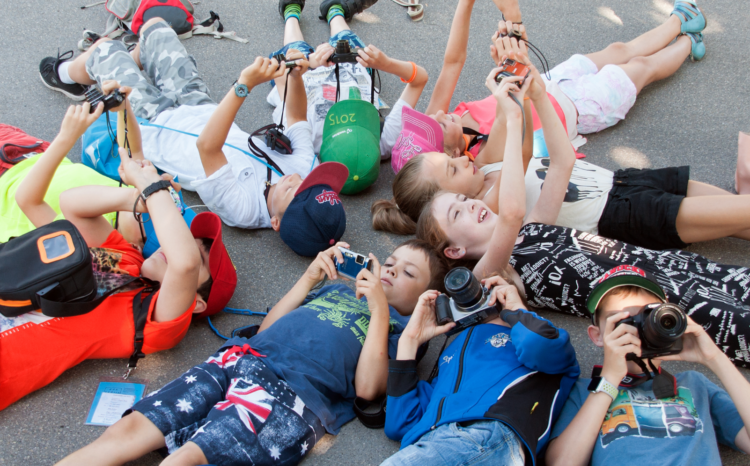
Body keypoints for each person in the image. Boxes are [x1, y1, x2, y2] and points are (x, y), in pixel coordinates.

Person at [415, 57, 750, 369]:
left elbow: (563, 162)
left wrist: (539, 97)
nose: (471, 204)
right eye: (457, 214)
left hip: (667, 266)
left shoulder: (533, 228)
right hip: (657, 305)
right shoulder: (489, 273)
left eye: (462, 198)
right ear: (454, 250)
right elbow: (512, 212)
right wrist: (514, 116)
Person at [56, 238, 449, 466]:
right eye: (391, 261)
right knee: (131, 428)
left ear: (423, 300)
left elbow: (368, 389)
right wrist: (309, 277)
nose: (391, 271)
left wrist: (380, 308)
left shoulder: (400, 330)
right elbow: (267, 330)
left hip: (292, 397)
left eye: (408, 273)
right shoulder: (336, 289)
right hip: (240, 357)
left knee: (193, 456)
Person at [39, 18, 343, 256]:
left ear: (275, 223)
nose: (297, 179)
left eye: (294, 193)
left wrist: (243, 87)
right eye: (310, 185)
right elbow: (297, 117)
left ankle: (67, 75)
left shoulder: (244, 209)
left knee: (105, 49)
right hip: (200, 105)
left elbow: (206, 146)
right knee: (156, 28)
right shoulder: (304, 172)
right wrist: (295, 76)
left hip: (155, 124)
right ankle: (131, 60)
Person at [0, 155, 238, 411]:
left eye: (200, 257)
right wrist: (139, 198)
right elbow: (71, 204)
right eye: (187, 239)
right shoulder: (128, 257)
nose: (177, 245)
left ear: (196, 303)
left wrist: (154, 189)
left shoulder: (157, 319)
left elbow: (185, 264)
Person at [388, 0, 705, 169]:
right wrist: (511, 45)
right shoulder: (481, 157)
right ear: (454, 155)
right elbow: (514, 102)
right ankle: (687, 38)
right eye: (439, 126)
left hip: (549, 82)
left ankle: (679, 20)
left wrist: (466, 2)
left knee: (619, 51)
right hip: (577, 109)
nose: (439, 115)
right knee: (641, 67)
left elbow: (452, 61)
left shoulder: (445, 121)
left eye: (431, 117)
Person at [545, 270, 750, 465]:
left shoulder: (695, 384)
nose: (637, 330)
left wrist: (714, 357)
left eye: (648, 318)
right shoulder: (584, 391)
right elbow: (562, 462)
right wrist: (608, 380)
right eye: (624, 320)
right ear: (597, 335)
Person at [382, 275, 579, 465]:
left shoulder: (539, 345)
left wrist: (515, 309)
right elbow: (400, 423)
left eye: (490, 295)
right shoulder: (449, 358)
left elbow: (537, 343)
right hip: (439, 442)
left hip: (486, 433)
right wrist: (409, 340)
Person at [4, 93, 192, 254]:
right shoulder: (129, 204)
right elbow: (133, 151)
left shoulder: (88, 239)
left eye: (148, 210)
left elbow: (29, 200)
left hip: (5, 186)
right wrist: (123, 107)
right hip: (34, 153)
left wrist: (66, 137)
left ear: (134, 245)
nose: (148, 201)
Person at [270, 0, 428, 159]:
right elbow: (419, 79)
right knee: (346, 40)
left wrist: (311, 62)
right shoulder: (383, 144)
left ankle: (291, 12)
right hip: (351, 68)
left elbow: (280, 72)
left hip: (304, 76)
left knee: (295, 48)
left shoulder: (304, 143)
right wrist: (386, 64)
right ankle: (335, 10)